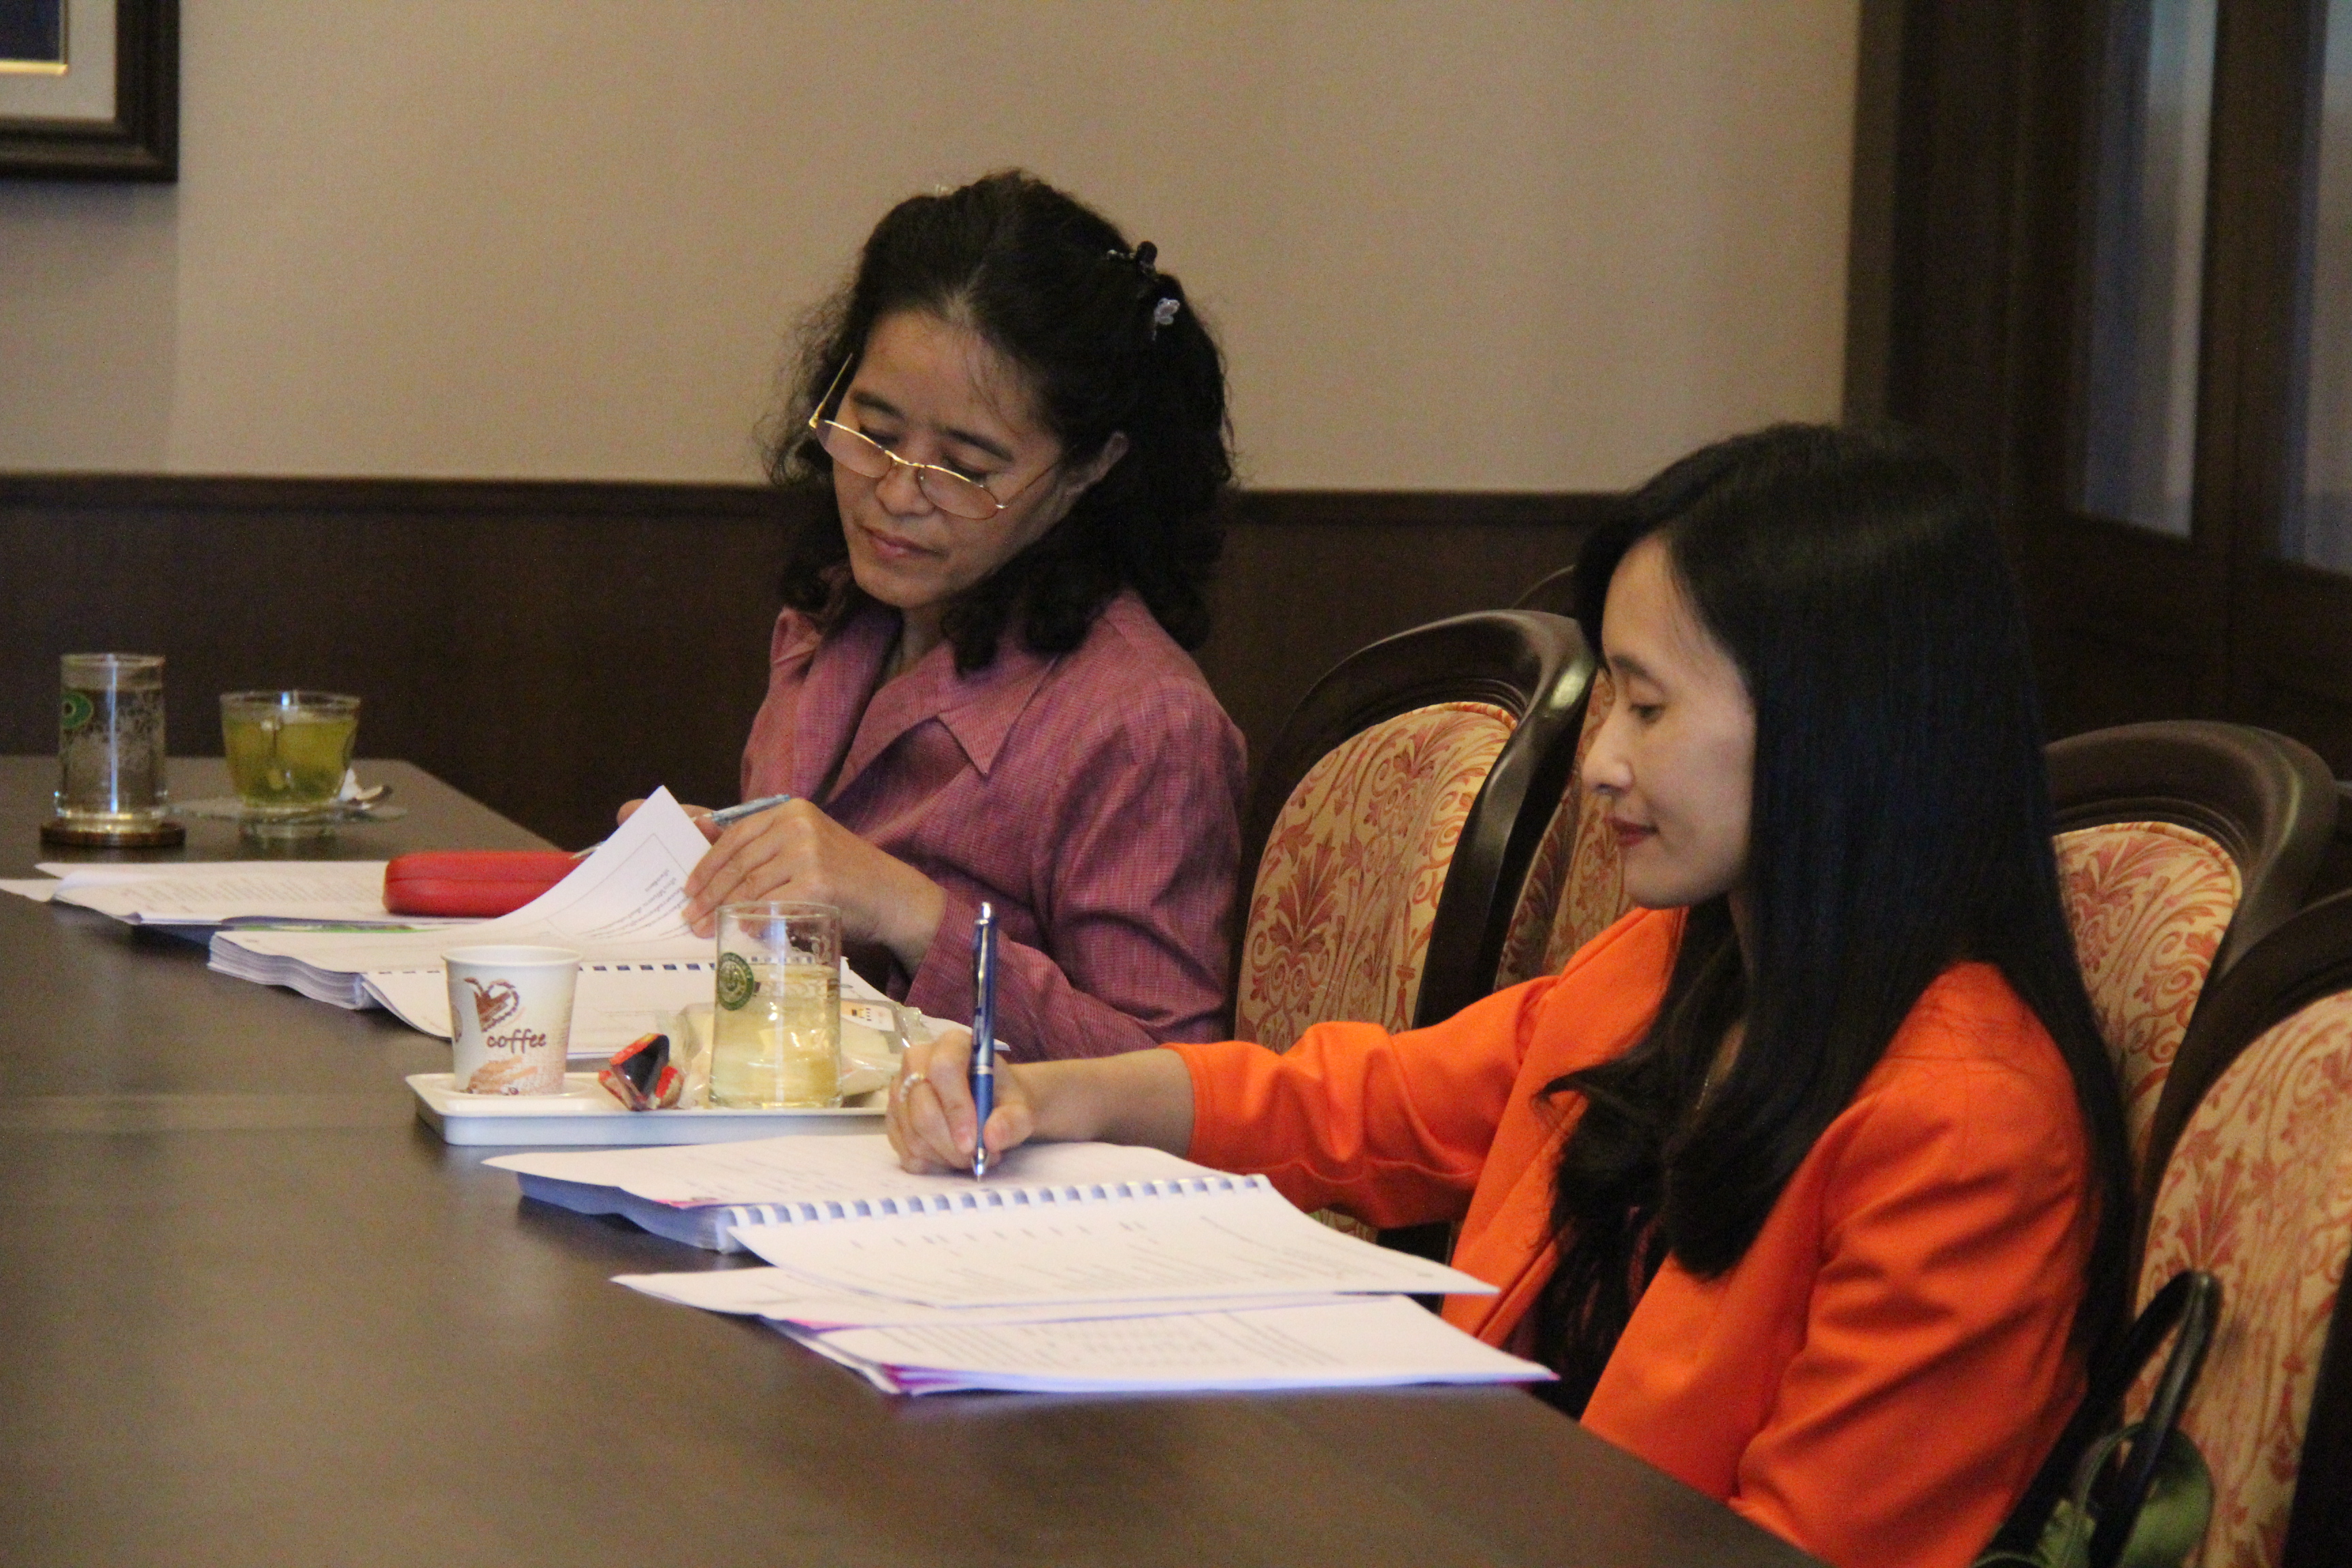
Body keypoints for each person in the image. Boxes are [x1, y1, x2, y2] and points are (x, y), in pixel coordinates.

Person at [886, 425, 2137, 1568]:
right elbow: (1366, 1104)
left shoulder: (1965, 1125)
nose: (1602, 763)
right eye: (1610, 701)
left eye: (1650, 707)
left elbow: (1801, 1546)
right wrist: (1060, 1098)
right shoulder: (1680, 965)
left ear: (1838, 728)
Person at [634, 172, 1245, 1060]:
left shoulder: (1144, 723)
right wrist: (721, 867)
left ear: (1088, 468)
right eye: (874, 433)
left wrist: (913, 913)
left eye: (964, 468)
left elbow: (1171, 1075)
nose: (894, 494)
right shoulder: (836, 615)